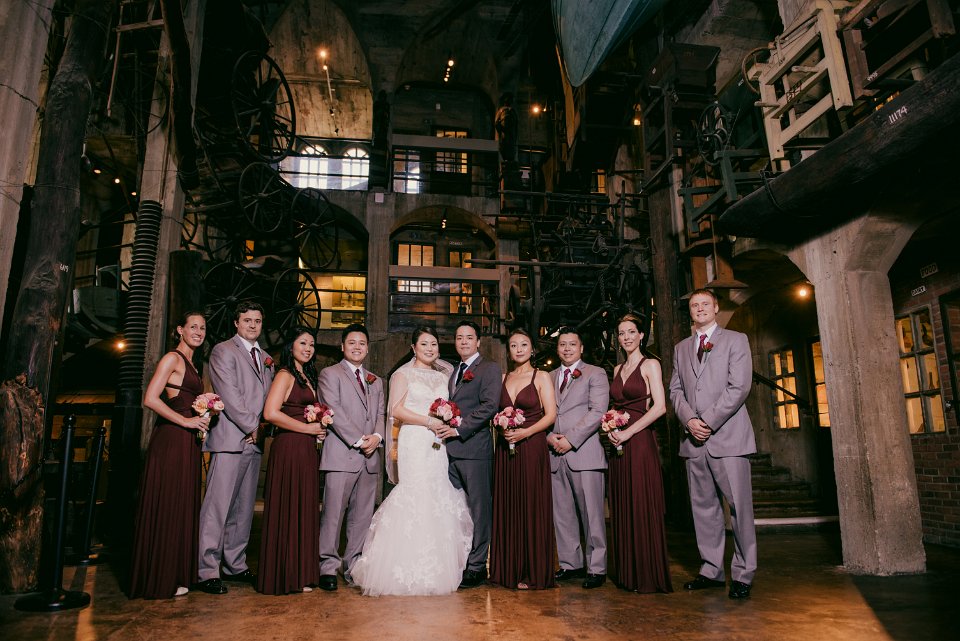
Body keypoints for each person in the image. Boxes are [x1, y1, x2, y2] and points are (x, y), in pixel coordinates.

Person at [351, 327, 473, 596]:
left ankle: (436, 566)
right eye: (424, 344)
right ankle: (402, 565)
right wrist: (429, 421)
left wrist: (446, 420)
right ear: (413, 348)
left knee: (437, 493)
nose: (430, 349)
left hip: (438, 442)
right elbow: (395, 410)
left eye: (434, 344)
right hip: (415, 440)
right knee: (415, 492)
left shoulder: (444, 375)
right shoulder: (402, 375)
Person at [669, 289, 757, 600]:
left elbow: (739, 386)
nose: (700, 308)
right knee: (704, 509)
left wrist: (706, 421)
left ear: (716, 308)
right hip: (693, 442)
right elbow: (675, 390)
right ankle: (711, 570)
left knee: (740, 509)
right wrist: (689, 421)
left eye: (705, 304)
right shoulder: (681, 348)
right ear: (690, 311)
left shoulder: (736, 340)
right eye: (695, 305)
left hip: (728, 439)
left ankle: (744, 573)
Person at [129, 311, 210, 599]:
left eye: (202, 328)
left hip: (187, 441)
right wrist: (186, 421)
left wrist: (203, 417)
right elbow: (150, 398)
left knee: (182, 504)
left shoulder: (193, 363)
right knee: (169, 504)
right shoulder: (172, 358)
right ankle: (159, 579)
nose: (198, 332)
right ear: (180, 330)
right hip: (172, 440)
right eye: (193, 327)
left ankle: (175, 573)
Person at [197, 301, 273, 594]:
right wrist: (253, 426)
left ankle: (235, 564)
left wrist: (262, 429)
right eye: (247, 320)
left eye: (257, 321)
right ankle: (206, 569)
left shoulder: (266, 358)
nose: (253, 325)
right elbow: (229, 394)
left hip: (254, 442)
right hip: (231, 440)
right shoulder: (223, 351)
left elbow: (268, 400)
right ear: (236, 323)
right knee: (218, 507)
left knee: (243, 509)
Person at [256, 327, 326, 595]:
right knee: (288, 507)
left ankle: (300, 573)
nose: (308, 348)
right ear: (291, 346)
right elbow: (270, 413)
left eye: (311, 344)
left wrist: (318, 428)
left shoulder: (307, 376)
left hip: (306, 449)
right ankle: (284, 575)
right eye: (303, 343)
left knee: (303, 508)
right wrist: (308, 428)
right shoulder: (285, 374)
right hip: (290, 447)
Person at [606, 314, 672, 593]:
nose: (626, 337)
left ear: (642, 335)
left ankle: (646, 574)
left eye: (631, 332)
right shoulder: (617, 368)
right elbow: (616, 405)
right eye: (622, 333)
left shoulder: (651, 364)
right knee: (623, 503)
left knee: (640, 501)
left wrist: (629, 432)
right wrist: (610, 425)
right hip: (618, 442)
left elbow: (660, 407)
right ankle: (628, 574)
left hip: (640, 441)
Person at [317, 323, 385, 591]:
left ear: (367, 348)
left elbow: (380, 414)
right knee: (333, 514)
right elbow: (332, 410)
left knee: (362, 517)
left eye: (362, 343)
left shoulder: (376, 380)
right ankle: (327, 566)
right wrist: (359, 440)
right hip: (342, 455)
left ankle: (353, 565)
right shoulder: (330, 374)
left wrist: (377, 437)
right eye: (352, 342)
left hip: (369, 457)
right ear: (342, 346)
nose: (357, 347)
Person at [489, 328, 557, 590]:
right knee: (509, 504)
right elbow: (494, 413)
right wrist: (501, 429)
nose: (518, 349)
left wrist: (525, 433)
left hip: (532, 447)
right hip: (506, 450)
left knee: (531, 504)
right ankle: (509, 568)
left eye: (524, 344)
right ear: (509, 351)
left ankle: (532, 570)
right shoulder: (503, 378)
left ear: (532, 349)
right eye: (514, 345)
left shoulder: (541, 377)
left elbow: (550, 415)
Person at [547, 327, 609, 589]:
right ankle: (570, 564)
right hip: (554, 453)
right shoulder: (549, 376)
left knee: (592, 514)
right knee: (562, 514)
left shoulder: (596, 373)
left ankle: (597, 567)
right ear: (557, 348)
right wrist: (550, 437)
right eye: (562, 344)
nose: (567, 348)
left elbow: (598, 411)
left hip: (584, 453)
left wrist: (570, 439)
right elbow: (542, 412)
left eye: (572, 344)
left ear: (581, 348)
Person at [442, 320, 501, 588]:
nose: (464, 341)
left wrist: (459, 429)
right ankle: (461, 559)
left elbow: (489, 406)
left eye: (469, 337)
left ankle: (477, 566)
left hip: (475, 450)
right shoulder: (454, 371)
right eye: (459, 337)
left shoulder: (489, 368)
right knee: (457, 509)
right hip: (451, 452)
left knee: (479, 510)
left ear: (478, 341)